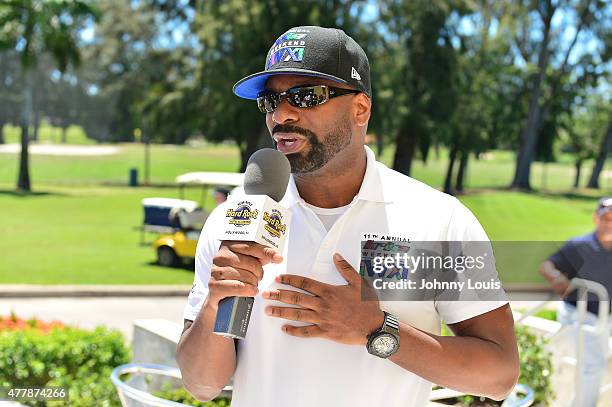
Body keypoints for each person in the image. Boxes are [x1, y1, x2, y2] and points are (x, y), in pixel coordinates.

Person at [177, 26, 519, 407]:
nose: (282, 114)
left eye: (305, 96)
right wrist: (213, 305)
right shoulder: (235, 221)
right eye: (271, 101)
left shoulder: (438, 219)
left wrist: (375, 329)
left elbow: (500, 375)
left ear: (360, 109)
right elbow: (201, 386)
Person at [540, 196, 612, 407]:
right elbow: (546, 266)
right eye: (606, 218)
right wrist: (556, 277)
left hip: (606, 315)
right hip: (580, 313)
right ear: (595, 219)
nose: (610, 223)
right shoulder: (579, 246)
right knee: (593, 364)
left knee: (594, 362)